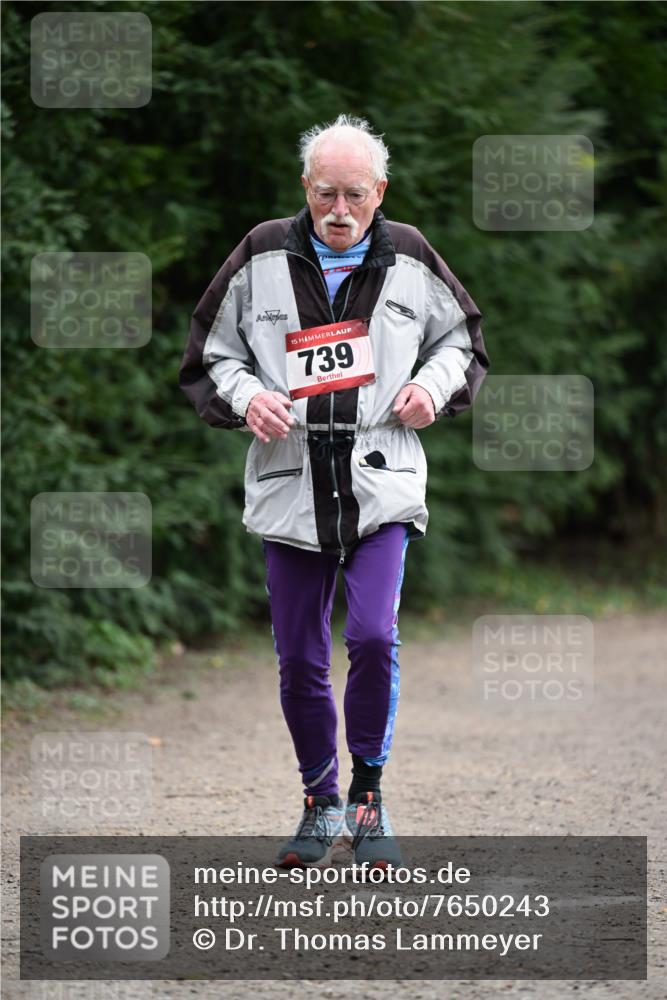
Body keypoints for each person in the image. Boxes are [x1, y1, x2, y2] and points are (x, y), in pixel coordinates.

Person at [179, 114, 489, 870]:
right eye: (325, 195)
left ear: (380, 192)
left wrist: (429, 384)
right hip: (290, 486)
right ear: (304, 191)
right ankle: (320, 802)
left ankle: (369, 797)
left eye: (355, 194)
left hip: (381, 482)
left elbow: (463, 342)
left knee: (374, 637)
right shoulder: (259, 254)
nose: (339, 211)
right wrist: (248, 396)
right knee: (299, 657)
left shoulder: (411, 256)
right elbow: (210, 354)